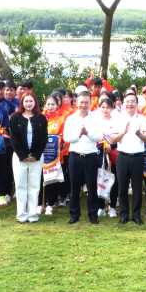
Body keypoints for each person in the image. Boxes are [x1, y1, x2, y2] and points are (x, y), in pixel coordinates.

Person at [110, 93, 146, 225]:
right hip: (122, 156)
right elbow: (113, 140)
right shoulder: (118, 119)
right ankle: (123, 214)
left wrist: (139, 134)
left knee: (137, 187)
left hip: (138, 156)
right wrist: (123, 132)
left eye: (133, 101)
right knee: (122, 188)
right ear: (123, 103)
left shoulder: (143, 119)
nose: (130, 104)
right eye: (127, 101)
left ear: (136, 104)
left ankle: (137, 215)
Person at [63, 91, 101, 224]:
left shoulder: (96, 118)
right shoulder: (70, 119)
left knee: (92, 187)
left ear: (90, 103)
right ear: (76, 103)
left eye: (86, 102)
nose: (84, 105)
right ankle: (74, 215)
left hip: (91, 156)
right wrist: (79, 135)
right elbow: (67, 138)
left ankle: (93, 214)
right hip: (75, 156)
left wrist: (88, 133)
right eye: (81, 102)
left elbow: (99, 137)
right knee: (74, 187)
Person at [9, 93, 47, 223]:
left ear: (35, 102)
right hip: (20, 158)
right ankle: (21, 215)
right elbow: (13, 139)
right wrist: (23, 156)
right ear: (22, 103)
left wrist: (35, 155)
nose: (29, 103)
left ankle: (32, 215)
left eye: (31, 101)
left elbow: (44, 139)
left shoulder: (41, 118)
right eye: (26, 101)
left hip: (36, 158)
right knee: (20, 186)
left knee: (34, 186)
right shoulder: (15, 118)